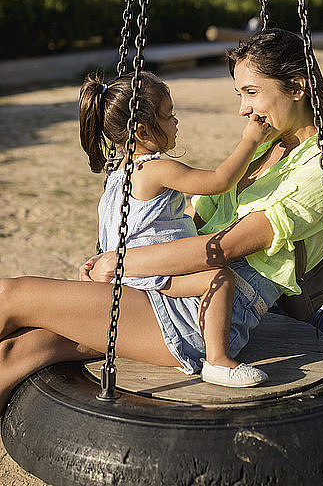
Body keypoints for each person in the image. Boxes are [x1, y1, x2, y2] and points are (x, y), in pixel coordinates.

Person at [0, 28, 323, 415]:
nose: (243, 109)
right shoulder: (268, 144)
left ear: (298, 87)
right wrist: (127, 255)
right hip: (170, 287)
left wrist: (118, 263)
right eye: (240, 95)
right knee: (19, 351)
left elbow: (225, 247)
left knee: (10, 295)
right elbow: (186, 223)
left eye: (251, 92)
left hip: (201, 314)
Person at [78, 70, 270, 387]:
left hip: (124, 272)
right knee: (220, 278)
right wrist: (251, 139)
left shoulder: (117, 173)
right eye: (168, 117)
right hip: (150, 274)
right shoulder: (155, 168)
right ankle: (218, 361)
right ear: (141, 131)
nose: (175, 122)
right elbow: (219, 181)